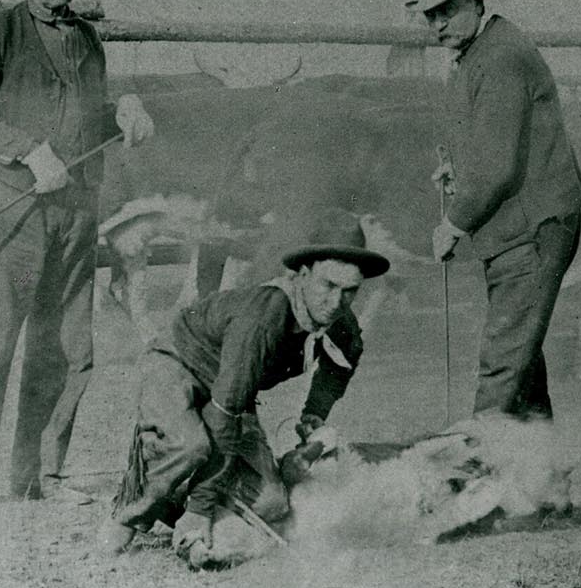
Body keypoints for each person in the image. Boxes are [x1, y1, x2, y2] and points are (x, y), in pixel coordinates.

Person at [0, 0, 156, 510]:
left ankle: (40, 477)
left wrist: (124, 114)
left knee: (66, 349)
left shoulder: (87, 39)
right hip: (14, 214)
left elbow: (90, 119)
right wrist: (28, 152)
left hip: (76, 215)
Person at [97, 209, 388, 567]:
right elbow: (226, 412)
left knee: (271, 501)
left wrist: (314, 411)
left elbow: (341, 364)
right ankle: (130, 512)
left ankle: (175, 502)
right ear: (303, 274)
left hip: (230, 392)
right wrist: (203, 509)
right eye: (328, 286)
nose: (336, 302)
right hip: (177, 366)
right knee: (191, 446)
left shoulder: (341, 320)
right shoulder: (264, 317)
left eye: (350, 291)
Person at [409, 0, 581, 423]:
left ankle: (470, 480)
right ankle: (544, 483)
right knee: (520, 359)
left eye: (448, 11)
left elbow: (499, 166)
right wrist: (456, 169)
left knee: (503, 362)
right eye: (430, 17)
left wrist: (454, 221)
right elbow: (488, 143)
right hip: (515, 227)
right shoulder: (478, 54)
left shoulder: (501, 57)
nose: (439, 25)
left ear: (476, 3)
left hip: (531, 228)